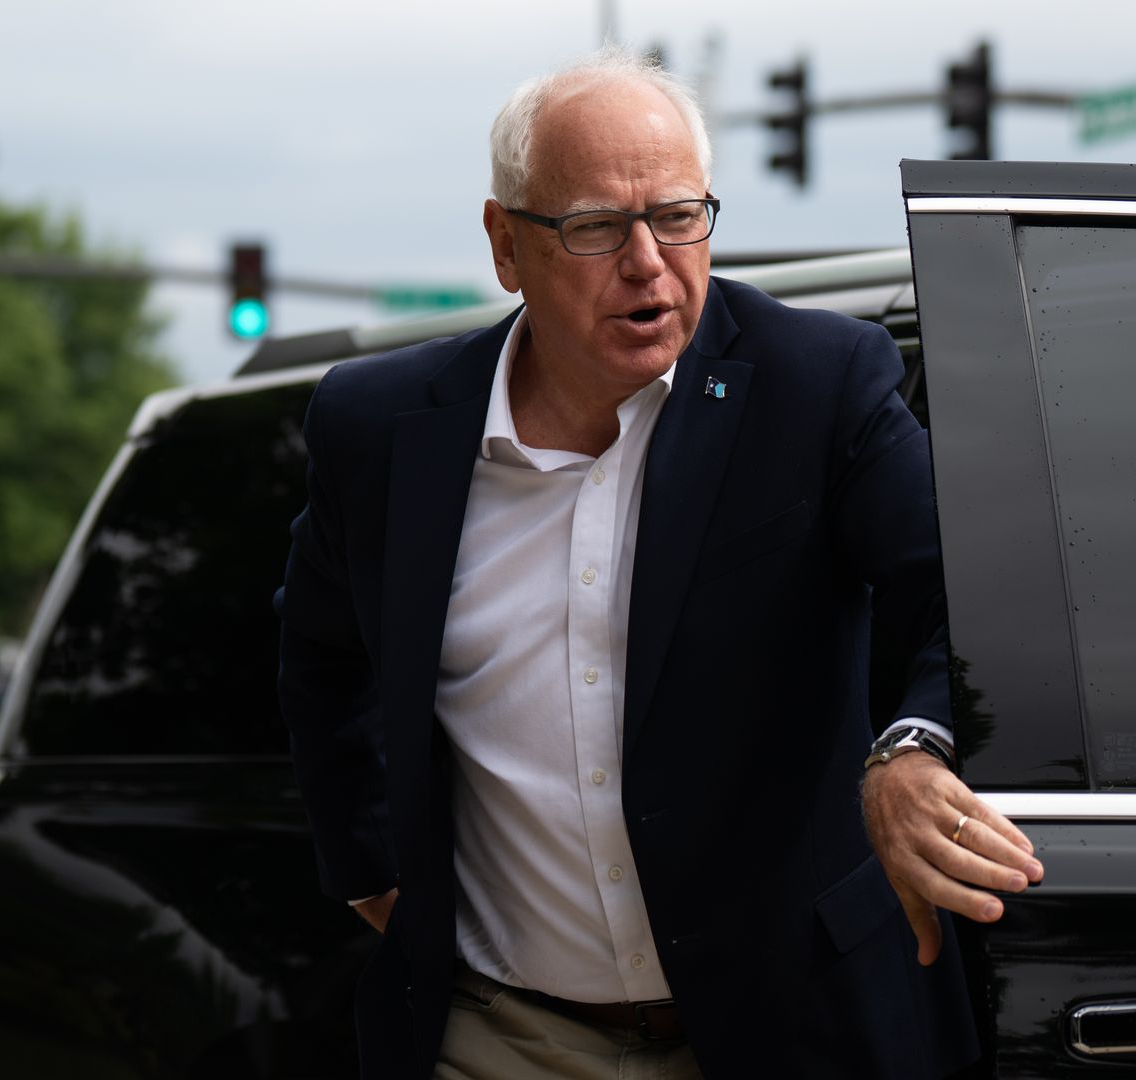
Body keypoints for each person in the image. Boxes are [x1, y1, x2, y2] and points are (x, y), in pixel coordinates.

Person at [275, 46, 1043, 1080]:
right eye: (597, 227)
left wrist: (909, 747)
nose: (648, 262)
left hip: (792, 1027)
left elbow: (963, 599)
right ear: (507, 244)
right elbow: (322, 655)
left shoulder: (815, 388)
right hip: (503, 1035)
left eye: (679, 217)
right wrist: (366, 864)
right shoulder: (380, 431)